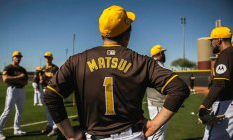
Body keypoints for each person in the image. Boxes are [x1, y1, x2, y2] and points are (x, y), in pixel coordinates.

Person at [44, 5, 190, 140]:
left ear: (102, 34)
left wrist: (70, 133)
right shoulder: (142, 61)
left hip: (93, 136)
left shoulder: (76, 61)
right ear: (127, 35)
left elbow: (50, 95)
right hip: (132, 135)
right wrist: (154, 125)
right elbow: (179, 88)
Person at [199, 26, 233, 139]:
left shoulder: (225, 55)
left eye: (212, 41)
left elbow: (219, 83)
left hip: (226, 104)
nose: (210, 44)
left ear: (219, 40)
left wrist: (204, 105)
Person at [0, 51, 28, 140]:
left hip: (21, 90)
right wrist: (18, 78)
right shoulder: (8, 68)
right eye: (16, 56)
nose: (18, 58)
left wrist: (13, 79)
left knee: (19, 111)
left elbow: (25, 82)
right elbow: (5, 79)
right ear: (12, 57)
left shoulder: (23, 69)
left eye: (20, 56)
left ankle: (17, 129)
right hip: (12, 90)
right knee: (7, 111)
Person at [146, 44, 168, 140]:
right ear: (160, 54)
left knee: (160, 132)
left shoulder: (153, 65)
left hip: (157, 102)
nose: (164, 54)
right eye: (163, 52)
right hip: (158, 103)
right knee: (156, 131)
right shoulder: (157, 66)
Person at [40, 52, 60, 137]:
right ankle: (50, 125)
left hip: (52, 90)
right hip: (44, 89)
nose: (47, 59)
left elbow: (55, 78)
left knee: (54, 109)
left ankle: (56, 127)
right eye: (46, 57)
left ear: (52, 58)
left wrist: (46, 77)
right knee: (47, 110)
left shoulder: (55, 67)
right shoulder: (43, 68)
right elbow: (42, 79)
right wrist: (41, 80)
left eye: (49, 57)